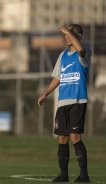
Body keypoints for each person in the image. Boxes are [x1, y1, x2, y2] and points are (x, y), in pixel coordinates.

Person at [38, 24, 91, 183]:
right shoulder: (63, 56)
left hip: (77, 101)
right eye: (66, 34)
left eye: (71, 34)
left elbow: (80, 49)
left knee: (75, 136)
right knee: (62, 138)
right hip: (63, 102)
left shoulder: (84, 52)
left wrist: (67, 30)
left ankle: (84, 175)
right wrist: (46, 93)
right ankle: (64, 175)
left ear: (78, 36)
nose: (67, 36)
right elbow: (57, 78)